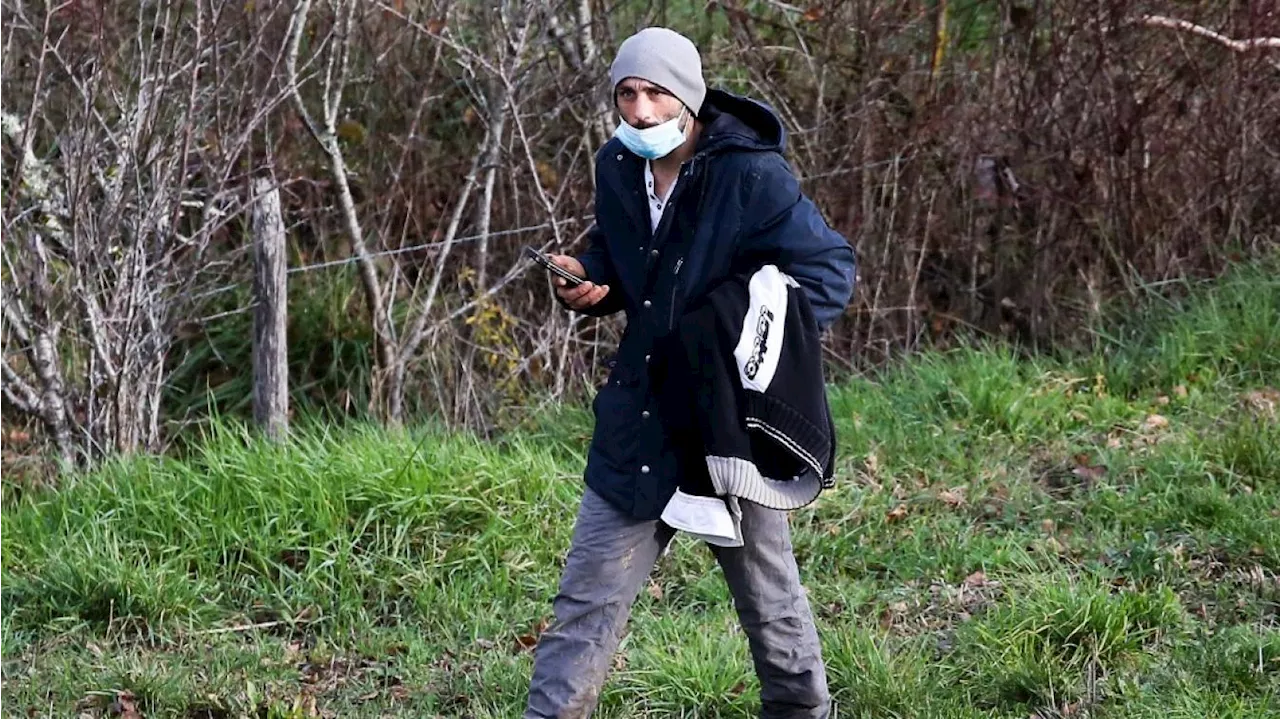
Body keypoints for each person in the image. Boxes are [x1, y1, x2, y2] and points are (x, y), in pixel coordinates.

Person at [524, 26, 856, 719]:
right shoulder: (618, 165)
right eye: (627, 94)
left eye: (656, 92)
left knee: (771, 606)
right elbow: (623, 264)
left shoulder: (750, 174)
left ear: (690, 95)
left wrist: (739, 337)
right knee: (583, 604)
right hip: (638, 419)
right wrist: (589, 279)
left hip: (727, 427)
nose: (641, 111)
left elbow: (828, 273)